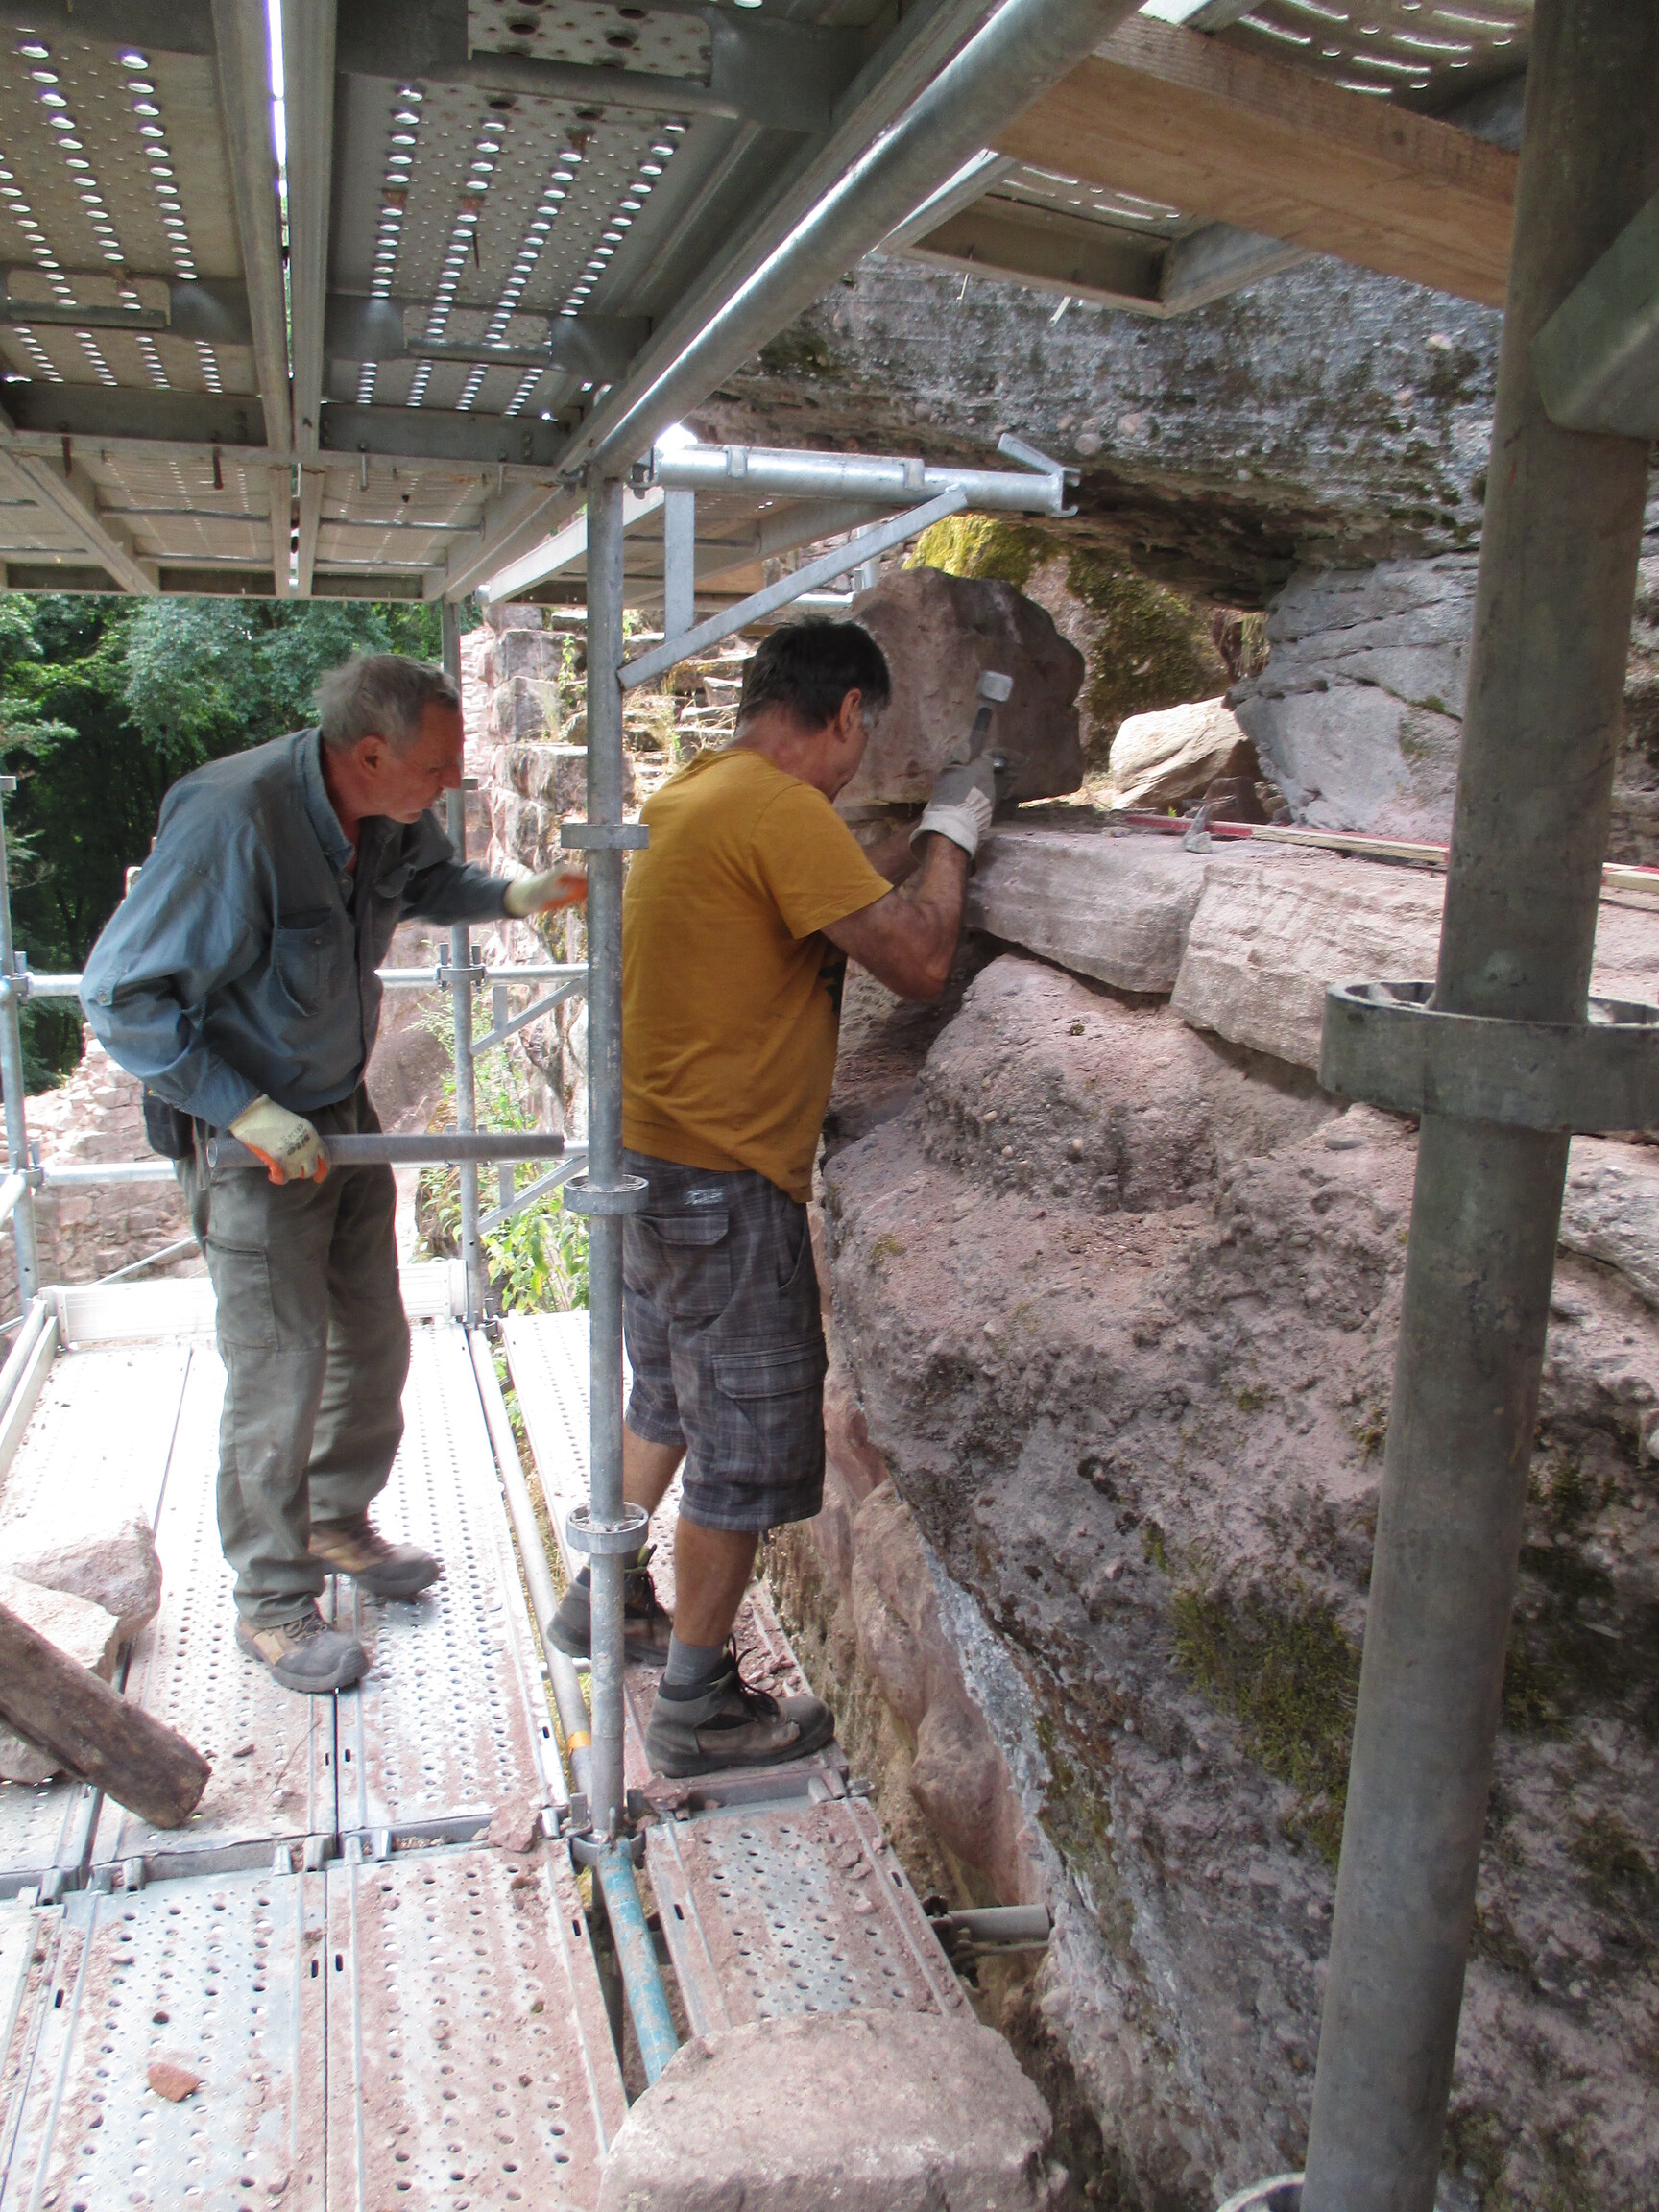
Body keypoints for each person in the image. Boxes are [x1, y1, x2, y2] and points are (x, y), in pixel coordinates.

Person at [81, 652, 584, 1695]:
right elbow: (121, 997)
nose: (450, 783)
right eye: (437, 767)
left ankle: (333, 1520)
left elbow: (426, 883)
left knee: (373, 1335)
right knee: (280, 1366)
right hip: (248, 1133)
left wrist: (512, 894)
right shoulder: (234, 826)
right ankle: (271, 1602)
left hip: (336, 1110)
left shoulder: (388, 812)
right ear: (369, 753)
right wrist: (244, 1109)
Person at [549, 619, 996, 1778]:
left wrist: (908, 843)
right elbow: (919, 960)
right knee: (741, 1447)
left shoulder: (698, 796)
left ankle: (603, 1596)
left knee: (665, 1393)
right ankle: (698, 1707)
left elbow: (823, 889)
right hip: (723, 1176)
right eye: (865, 734)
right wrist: (954, 840)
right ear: (846, 712)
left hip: (645, 1163)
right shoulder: (781, 812)